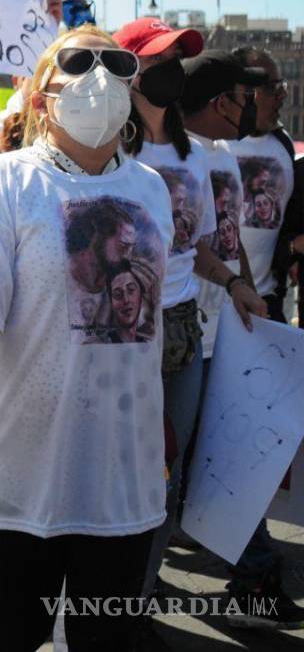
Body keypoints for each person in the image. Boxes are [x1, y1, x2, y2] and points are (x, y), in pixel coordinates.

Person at [0, 25, 175, 651]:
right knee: (13, 629)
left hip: (124, 470)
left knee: (105, 636)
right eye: (78, 61)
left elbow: (146, 331)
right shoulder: (5, 182)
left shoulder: (151, 188)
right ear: (40, 97)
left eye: (116, 63)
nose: (99, 76)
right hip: (25, 468)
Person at [113, 20, 270, 616]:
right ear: (129, 71)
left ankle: (138, 600)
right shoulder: (107, 149)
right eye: (160, 60)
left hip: (181, 331)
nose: (172, 72)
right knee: (115, 472)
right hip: (121, 332)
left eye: (178, 61)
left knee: (166, 476)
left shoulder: (193, 156)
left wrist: (234, 284)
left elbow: (195, 247)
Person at [178, 51, 304, 632]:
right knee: (187, 460)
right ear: (219, 101)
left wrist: (248, 295)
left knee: (236, 454)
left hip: (234, 328)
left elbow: (228, 244)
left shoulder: (231, 154)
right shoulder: (175, 155)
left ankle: (253, 576)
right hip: (186, 336)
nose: (259, 102)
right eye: (245, 94)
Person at [224, 48, 295, 323]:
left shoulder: (283, 144)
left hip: (266, 303)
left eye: (282, 86)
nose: (282, 95)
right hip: (216, 306)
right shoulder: (210, 145)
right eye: (271, 87)